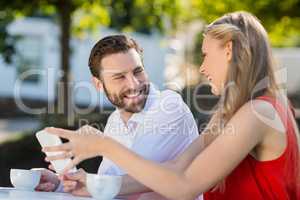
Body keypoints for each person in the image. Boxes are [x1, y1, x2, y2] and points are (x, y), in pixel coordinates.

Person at [43, 12, 300, 200]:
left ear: (229, 50)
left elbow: (183, 186)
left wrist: (102, 145)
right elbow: (177, 168)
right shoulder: (232, 115)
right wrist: (87, 184)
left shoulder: (259, 112)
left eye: (206, 55)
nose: (202, 67)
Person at [36, 35, 199, 199]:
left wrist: (101, 146)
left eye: (138, 71)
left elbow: (146, 179)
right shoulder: (115, 121)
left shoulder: (168, 106)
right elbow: (108, 187)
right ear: (99, 84)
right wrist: (62, 184)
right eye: (120, 77)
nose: (134, 84)